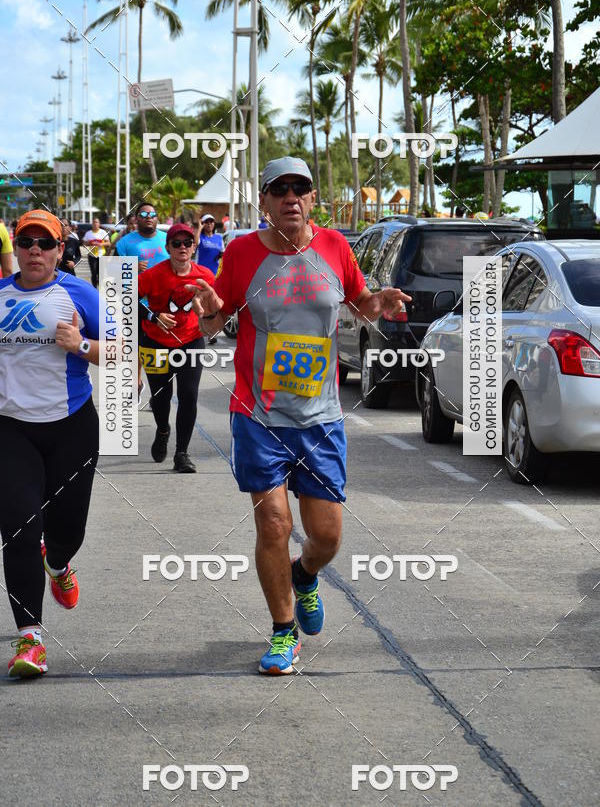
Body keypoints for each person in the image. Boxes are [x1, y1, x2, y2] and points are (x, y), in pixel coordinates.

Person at [192, 156, 411, 674]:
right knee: (272, 523)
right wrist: (206, 306)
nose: (291, 197)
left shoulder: (335, 247)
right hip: (258, 414)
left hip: (320, 416)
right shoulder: (242, 252)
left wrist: (381, 301)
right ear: (264, 202)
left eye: (301, 189)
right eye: (280, 189)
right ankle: (282, 631)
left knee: (327, 535)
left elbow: (361, 305)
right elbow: (212, 325)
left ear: (313, 199)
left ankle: (306, 574)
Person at [0, 209, 100, 678]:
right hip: (10, 429)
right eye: (26, 243)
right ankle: (30, 640)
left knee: (68, 529)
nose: (35, 251)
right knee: (18, 528)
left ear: (61, 250)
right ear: (15, 249)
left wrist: (81, 344)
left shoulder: (78, 293)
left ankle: (58, 563)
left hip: (71, 427)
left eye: (45, 243)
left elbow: (119, 348)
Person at [137, 223, 216, 473]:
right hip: (155, 342)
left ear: (194, 247)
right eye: (177, 243)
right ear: (168, 247)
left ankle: (181, 453)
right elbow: (123, 299)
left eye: (187, 243)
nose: (182, 247)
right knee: (160, 397)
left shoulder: (205, 276)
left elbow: (216, 310)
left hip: (190, 340)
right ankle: (162, 430)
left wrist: (207, 314)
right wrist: (153, 316)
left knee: (188, 395)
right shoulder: (153, 275)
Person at [116, 203, 168, 403]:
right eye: (144, 214)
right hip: (135, 303)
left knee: (159, 349)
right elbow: (111, 274)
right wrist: (130, 267)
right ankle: (135, 384)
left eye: (152, 214)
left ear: (157, 218)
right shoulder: (125, 243)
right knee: (135, 347)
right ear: (136, 218)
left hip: (164, 303)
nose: (148, 217)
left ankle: (158, 388)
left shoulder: (167, 240)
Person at [82, 216, 109, 287]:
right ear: (92, 224)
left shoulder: (103, 232)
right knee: (93, 273)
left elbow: (108, 243)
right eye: (94, 222)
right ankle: (94, 288)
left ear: (99, 224)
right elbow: (84, 243)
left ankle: (101, 288)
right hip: (92, 255)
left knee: (100, 273)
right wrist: (90, 243)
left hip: (101, 255)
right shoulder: (88, 233)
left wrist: (100, 244)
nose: (95, 224)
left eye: (96, 222)